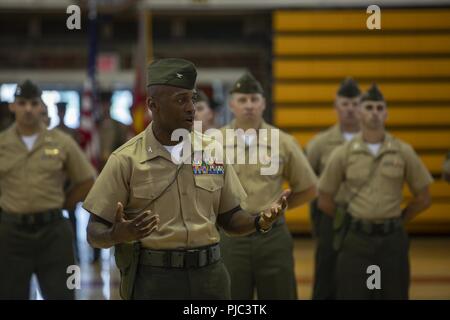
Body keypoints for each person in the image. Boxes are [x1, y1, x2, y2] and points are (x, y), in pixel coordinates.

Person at [83, 58, 290, 300]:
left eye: (191, 99)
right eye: (181, 100)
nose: (191, 107)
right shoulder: (125, 160)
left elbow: (231, 218)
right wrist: (117, 234)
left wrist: (259, 221)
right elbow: (93, 231)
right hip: (155, 281)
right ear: (153, 105)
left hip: (210, 278)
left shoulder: (212, 151)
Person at [317, 84, 433, 299]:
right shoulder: (343, 153)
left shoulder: (403, 151)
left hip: (392, 240)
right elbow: (324, 198)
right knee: (353, 294)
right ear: (360, 112)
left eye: (380, 108)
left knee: (393, 294)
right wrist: (347, 221)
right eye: (369, 107)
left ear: (386, 113)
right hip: (356, 241)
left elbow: (424, 197)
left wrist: (400, 219)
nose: (374, 113)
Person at [219, 72, 317, 300]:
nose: (249, 105)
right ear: (232, 104)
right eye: (242, 100)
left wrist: (277, 209)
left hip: (272, 238)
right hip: (231, 236)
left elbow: (309, 188)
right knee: (231, 298)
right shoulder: (214, 142)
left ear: (263, 103)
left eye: (254, 99)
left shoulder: (282, 141)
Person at [0, 80, 96, 299]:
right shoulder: (2, 144)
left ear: (42, 106)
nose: (28, 109)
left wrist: (64, 202)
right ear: (12, 106)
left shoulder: (62, 142)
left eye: (34, 103)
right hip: (11, 234)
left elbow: (87, 179)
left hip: (53, 232)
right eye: (22, 103)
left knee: (61, 293)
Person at [305, 77, 361, 300]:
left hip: (364, 218)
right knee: (326, 277)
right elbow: (308, 184)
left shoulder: (374, 141)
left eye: (355, 104)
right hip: (331, 219)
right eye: (345, 104)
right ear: (336, 106)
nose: (350, 109)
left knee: (366, 277)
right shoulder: (319, 143)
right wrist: (317, 222)